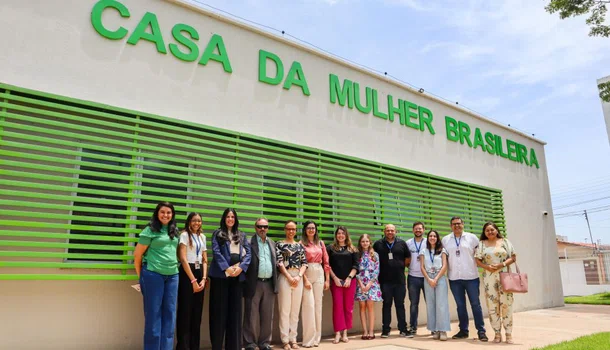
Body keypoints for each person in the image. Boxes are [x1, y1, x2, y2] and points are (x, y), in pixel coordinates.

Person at [133, 201, 180, 350]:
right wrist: (142, 277)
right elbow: (137, 256)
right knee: (153, 317)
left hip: (173, 276)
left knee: (170, 316)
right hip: (153, 275)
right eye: (162, 212)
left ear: (172, 215)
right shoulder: (150, 230)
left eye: (168, 212)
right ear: (157, 214)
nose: (165, 215)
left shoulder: (174, 231)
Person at [208, 208, 251, 350]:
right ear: (224, 218)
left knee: (235, 313)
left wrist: (240, 268)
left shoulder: (242, 235)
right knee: (219, 313)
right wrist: (227, 268)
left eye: (233, 217)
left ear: (236, 219)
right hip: (221, 277)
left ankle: (234, 346)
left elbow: (248, 253)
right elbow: (216, 252)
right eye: (228, 216)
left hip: (237, 277)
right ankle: (217, 346)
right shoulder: (218, 233)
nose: (230, 219)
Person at [441, 216, 488, 341]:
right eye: (454, 224)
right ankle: (463, 330)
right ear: (451, 226)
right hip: (454, 278)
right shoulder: (446, 240)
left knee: (475, 304)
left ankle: (481, 331)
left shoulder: (472, 238)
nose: (456, 226)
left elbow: (480, 255)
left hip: (471, 277)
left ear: (463, 224)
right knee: (460, 305)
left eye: (458, 223)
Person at [475, 222, 517, 344]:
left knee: (506, 304)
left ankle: (508, 334)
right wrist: (486, 267)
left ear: (497, 230)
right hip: (489, 277)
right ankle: (497, 334)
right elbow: (477, 260)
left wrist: (502, 264)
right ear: (484, 232)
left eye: (492, 230)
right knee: (492, 306)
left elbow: (513, 257)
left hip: (504, 276)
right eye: (487, 230)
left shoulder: (505, 242)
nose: (490, 232)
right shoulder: (482, 244)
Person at [243, 218, 278, 350]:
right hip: (254, 283)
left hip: (269, 283)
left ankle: (264, 343)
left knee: (268, 315)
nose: (262, 229)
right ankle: (250, 343)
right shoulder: (248, 243)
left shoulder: (272, 243)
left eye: (265, 226)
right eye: (259, 226)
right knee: (250, 315)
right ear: (255, 227)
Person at [373, 224, 412, 338]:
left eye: (392, 230)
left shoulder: (402, 243)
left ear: (396, 231)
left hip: (399, 280)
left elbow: (408, 258)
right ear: (384, 231)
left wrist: (399, 266)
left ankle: (403, 329)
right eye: (388, 230)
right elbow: (373, 258)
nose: (390, 232)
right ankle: (386, 330)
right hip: (385, 281)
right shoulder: (378, 244)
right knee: (386, 305)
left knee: (400, 305)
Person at [176, 212, 208, 350]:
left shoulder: (202, 237)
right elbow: (182, 258)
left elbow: (205, 259)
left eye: (199, 221)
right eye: (194, 220)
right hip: (187, 273)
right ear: (189, 222)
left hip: (200, 272)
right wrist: (193, 280)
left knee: (197, 312)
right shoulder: (183, 235)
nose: (196, 223)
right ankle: (183, 346)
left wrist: (204, 278)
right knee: (185, 311)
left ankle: (194, 346)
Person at [276, 220, 308, 350]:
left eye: (293, 229)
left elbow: (305, 263)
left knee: (295, 310)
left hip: (298, 278)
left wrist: (299, 276)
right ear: (285, 230)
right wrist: (289, 277)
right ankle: (285, 340)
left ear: (296, 231)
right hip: (285, 277)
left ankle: (293, 339)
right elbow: (279, 262)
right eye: (288, 229)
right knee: (284, 310)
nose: (291, 231)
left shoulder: (300, 246)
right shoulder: (279, 244)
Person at [300, 220, 330, 348]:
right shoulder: (301, 243)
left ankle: (317, 338)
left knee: (318, 306)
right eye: (309, 228)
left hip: (319, 272)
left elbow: (326, 262)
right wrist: (304, 279)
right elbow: (300, 262)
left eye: (313, 228)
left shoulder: (320, 243)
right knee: (308, 306)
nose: (311, 230)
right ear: (305, 230)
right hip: (306, 273)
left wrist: (327, 279)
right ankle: (308, 339)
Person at [327, 226, 359, 344]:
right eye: (339, 233)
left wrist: (349, 278)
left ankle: (345, 333)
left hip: (350, 282)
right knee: (337, 307)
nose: (341, 235)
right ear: (336, 235)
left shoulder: (352, 249)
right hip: (336, 282)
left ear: (346, 235)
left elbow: (356, 266)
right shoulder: (330, 248)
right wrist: (334, 278)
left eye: (343, 233)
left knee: (348, 308)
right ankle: (337, 333)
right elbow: (327, 265)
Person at [419, 230, 450, 341]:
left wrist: (436, 278)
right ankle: (435, 329)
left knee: (441, 304)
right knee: (431, 304)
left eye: (434, 236)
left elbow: (445, 266)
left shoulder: (442, 250)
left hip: (439, 278)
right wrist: (429, 279)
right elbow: (422, 267)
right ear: (428, 238)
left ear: (437, 238)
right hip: (428, 278)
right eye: (430, 236)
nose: (432, 238)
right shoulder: (423, 251)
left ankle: (443, 330)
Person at [355, 234, 382, 340]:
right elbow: (355, 269)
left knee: (370, 307)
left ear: (370, 242)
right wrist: (361, 284)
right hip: (360, 283)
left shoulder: (375, 255)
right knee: (362, 307)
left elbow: (377, 270)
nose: (365, 243)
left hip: (372, 283)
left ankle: (371, 331)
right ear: (360, 243)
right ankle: (365, 331)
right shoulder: (357, 254)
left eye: (367, 241)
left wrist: (370, 283)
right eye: (363, 241)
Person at [406, 222, 426, 335]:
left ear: (423, 229)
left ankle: (434, 327)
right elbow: (405, 258)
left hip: (427, 277)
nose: (418, 230)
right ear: (413, 230)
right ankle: (413, 328)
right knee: (414, 304)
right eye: (416, 229)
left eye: (420, 228)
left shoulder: (428, 241)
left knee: (430, 303)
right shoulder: (408, 243)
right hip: (413, 277)